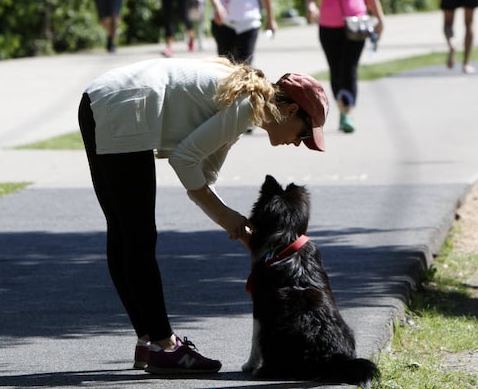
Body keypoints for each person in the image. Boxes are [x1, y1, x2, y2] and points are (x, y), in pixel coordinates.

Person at [78, 57, 328, 375]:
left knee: (125, 231)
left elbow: (203, 176)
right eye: (304, 134)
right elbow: (184, 162)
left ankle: (149, 339)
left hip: (100, 100)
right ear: (291, 110)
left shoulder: (245, 104)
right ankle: (165, 346)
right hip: (125, 106)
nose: (298, 143)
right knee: (137, 236)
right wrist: (231, 220)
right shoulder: (247, 104)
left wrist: (242, 229)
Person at [305, 0, 385, 133]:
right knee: (335, 70)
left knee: (349, 67)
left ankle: (348, 111)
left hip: (356, 24)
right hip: (328, 26)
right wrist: (311, 6)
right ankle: (342, 106)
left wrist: (379, 17)